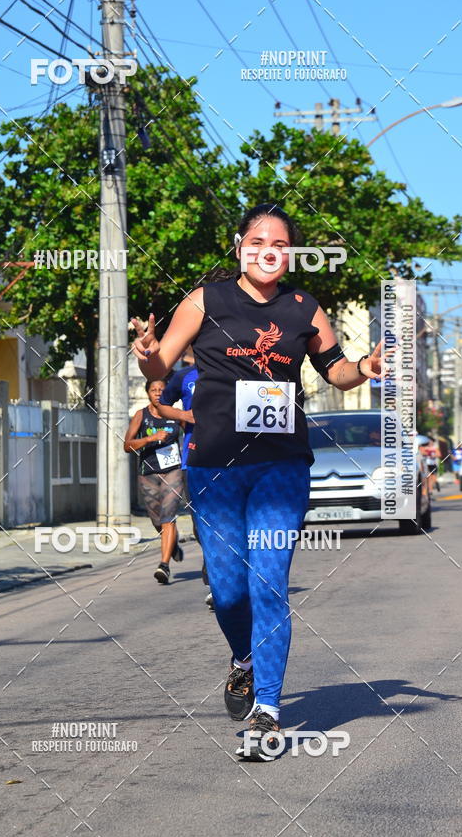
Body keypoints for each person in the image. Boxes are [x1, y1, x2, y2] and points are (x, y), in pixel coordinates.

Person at [131, 203, 387, 760]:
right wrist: (150, 356)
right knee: (227, 592)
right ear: (241, 246)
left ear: (289, 252)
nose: (269, 249)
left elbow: (336, 372)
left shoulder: (304, 309)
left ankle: (269, 706)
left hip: (281, 466)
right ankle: (242, 660)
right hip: (215, 466)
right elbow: (161, 367)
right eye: (258, 240)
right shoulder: (205, 300)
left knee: (269, 582)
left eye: (280, 242)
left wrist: (364, 369)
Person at [154, 346, 214, 610]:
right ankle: (212, 569)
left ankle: (217, 581)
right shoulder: (183, 377)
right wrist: (183, 415)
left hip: (233, 459)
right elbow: (162, 405)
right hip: (195, 460)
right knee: (201, 524)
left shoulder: (236, 371)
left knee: (228, 521)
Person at [123, 379, 184, 585]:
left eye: (161, 390)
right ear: (148, 393)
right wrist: (150, 439)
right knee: (157, 520)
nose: (158, 393)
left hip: (173, 470)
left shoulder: (175, 414)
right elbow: (127, 445)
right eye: (153, 390)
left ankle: (164, 565)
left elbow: (194, 435)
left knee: (168, 517)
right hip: (148, 472)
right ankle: (172, 543)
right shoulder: (142, 415)